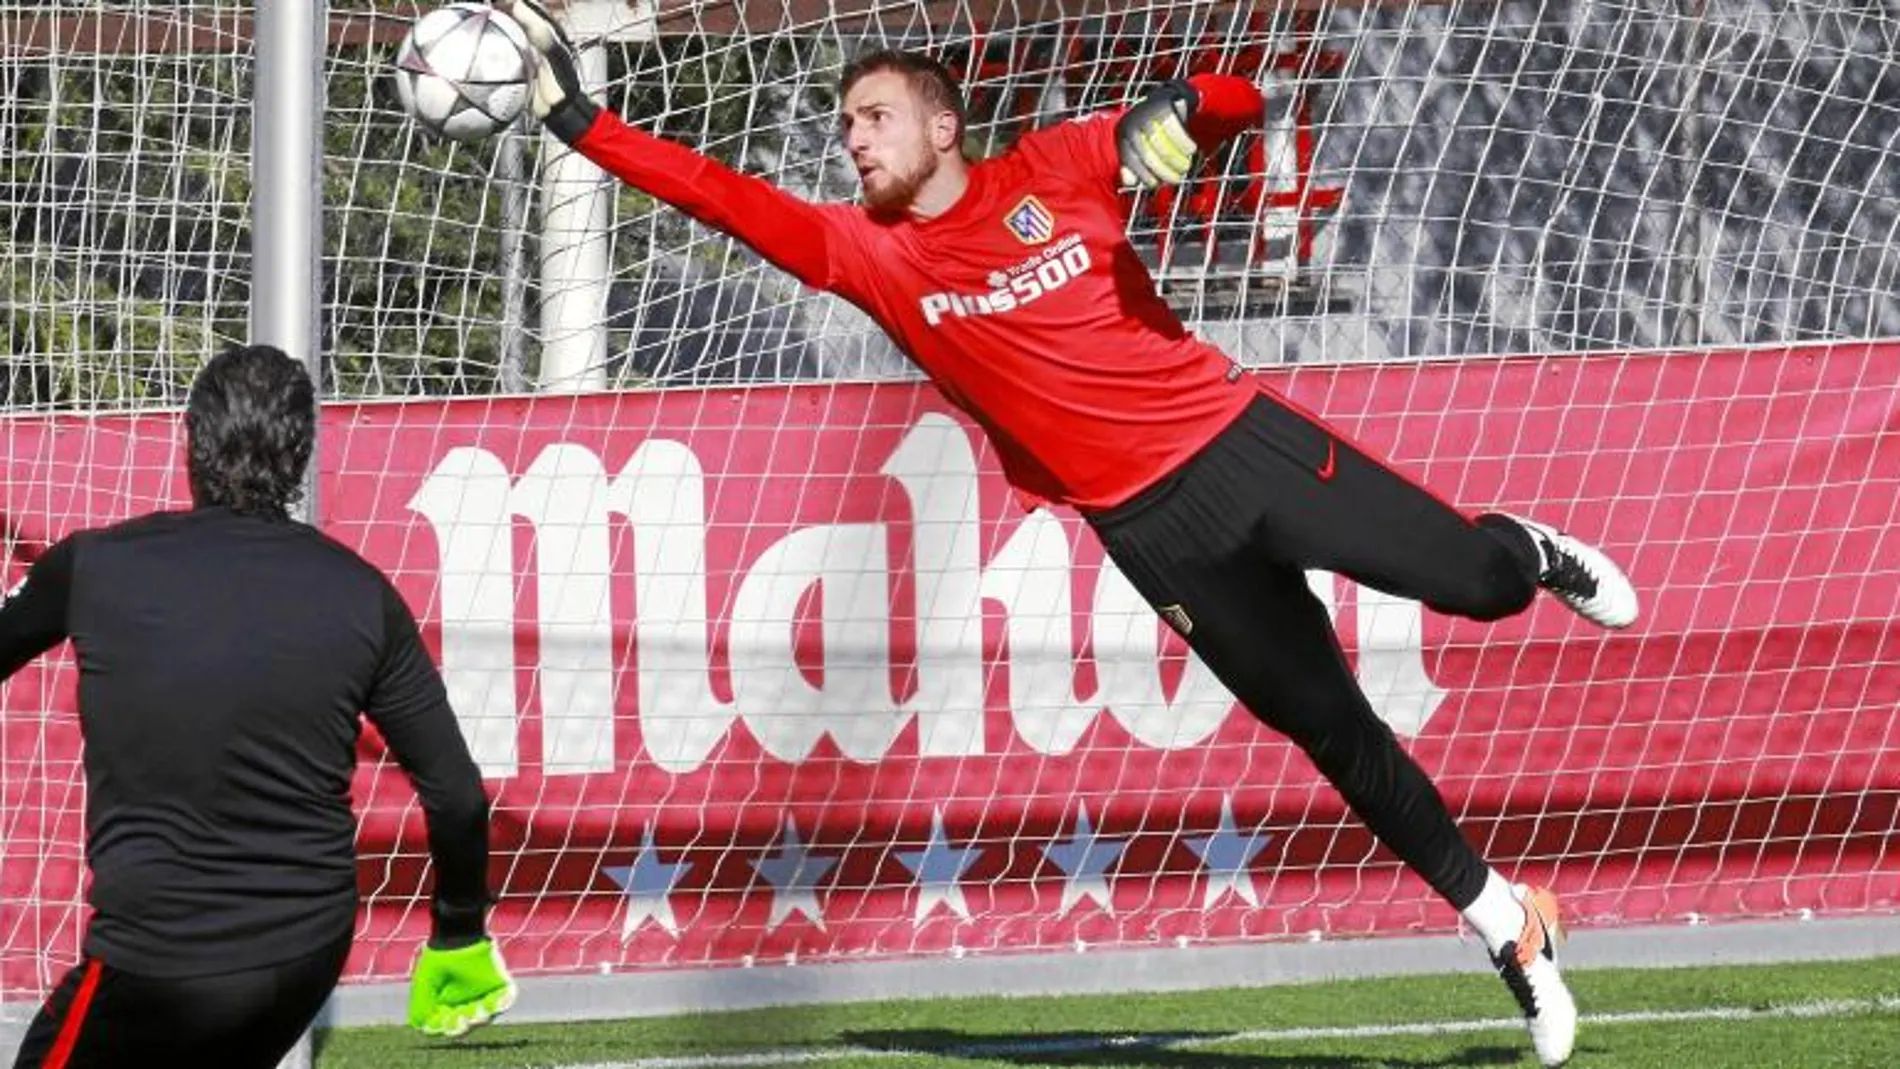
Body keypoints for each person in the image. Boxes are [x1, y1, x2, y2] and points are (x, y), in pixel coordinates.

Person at [500, 3, 1642, 1064]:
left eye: (875, 116)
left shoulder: (1051, 166)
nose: (852, 139)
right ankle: (1506, 924)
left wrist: (1184, 107)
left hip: (1243, 443)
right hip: (1153, 532)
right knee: (1334, 730)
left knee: (1480, 586)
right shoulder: (869, 253)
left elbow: (1243, 101)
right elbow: (717, 195)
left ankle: (1526, 548)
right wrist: (577, 121)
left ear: (944, 126)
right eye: (844, 124)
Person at [0, 345, 516, 1068]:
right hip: (306, 956)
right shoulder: (363, 593)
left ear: (191, 443)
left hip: (160, 965)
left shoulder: (93, 565)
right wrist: (460, 931)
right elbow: (459, 795)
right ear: (301, 457)